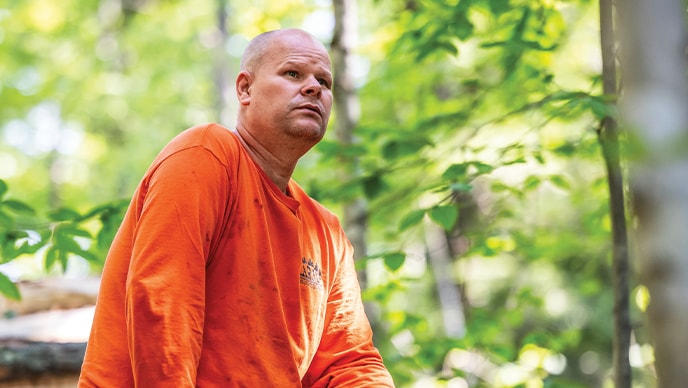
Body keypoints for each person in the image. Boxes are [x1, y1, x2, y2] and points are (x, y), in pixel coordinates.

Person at [77, 28, 395, 387]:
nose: (314, 88)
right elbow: (164, 305)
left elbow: (351, 361)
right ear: (245, 89)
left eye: (324, 81)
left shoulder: (326, 232)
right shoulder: (205, 156)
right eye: (293, 74)